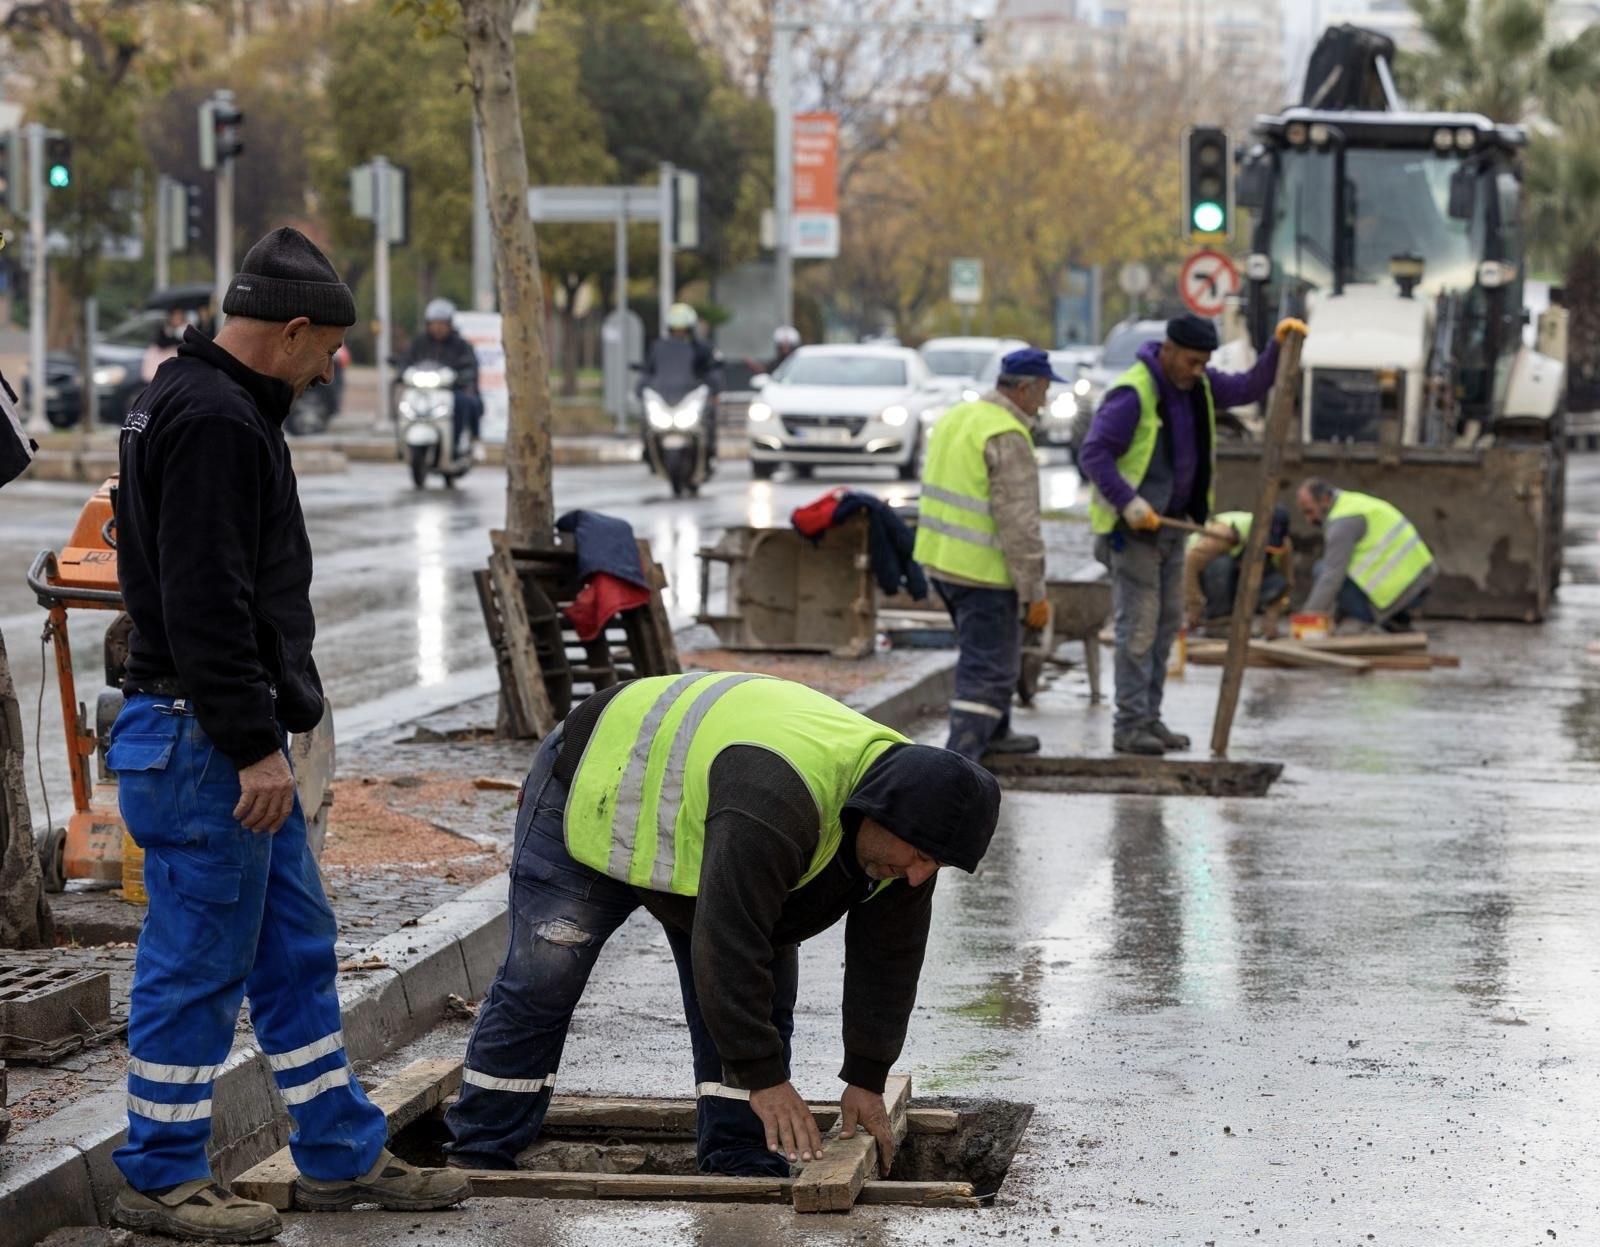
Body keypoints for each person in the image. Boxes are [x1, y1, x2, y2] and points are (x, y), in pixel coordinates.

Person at [109, 228, 469, 1242]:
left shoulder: (186, 397)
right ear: (293, 329)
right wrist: (253, 745)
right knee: (196, 961)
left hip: (206, 736)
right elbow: (205, 602)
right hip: (207, 747)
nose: (331, 369)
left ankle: (339, 1151)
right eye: (330, 349)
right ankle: (161, 1174)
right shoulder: (216, 418)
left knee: (295, 950)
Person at [445, 673, 1001, 1177]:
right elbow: (728, 946)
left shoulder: (916, 823)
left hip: (709, 819)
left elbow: (889, 958)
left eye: (935, 865)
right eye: (920, 857)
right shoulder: (780, 804)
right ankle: (479, 1151)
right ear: (881, 811)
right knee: (543, 981)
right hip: (601, 777)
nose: (919, 875)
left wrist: (867, 1077)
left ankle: (740, 1160)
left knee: (759, 999)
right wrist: (766, 1077)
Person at [1080, 313, 1305, 756]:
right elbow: (1094, 453)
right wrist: (1129, 502)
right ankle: (1130, 726)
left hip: (1171, 528)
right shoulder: (1133, 394)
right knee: (1139, 629)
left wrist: (1279, 349)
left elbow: (1248, 388)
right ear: (1167, 351)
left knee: (1166, 627)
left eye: (1204, 362)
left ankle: (1149, 718)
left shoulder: (1197, 386)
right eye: (1191, 361)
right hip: (1133, 533)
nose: (1198, 370)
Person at [913, 346, 1054, 760]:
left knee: (985, 654)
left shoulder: (959, 416)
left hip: (942, 564)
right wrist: (1035, 592)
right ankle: (960, 760)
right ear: (1025, 389)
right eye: (1044, 390)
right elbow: (1019, 525)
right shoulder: (1007, 435)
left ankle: (997, 731)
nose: (1044, 401)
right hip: (984, 574)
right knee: (989, 669)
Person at [1295, 478, 1435, 630]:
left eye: (1309, 511)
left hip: (1401, 594)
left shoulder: (1342, 523)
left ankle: (1388, 617)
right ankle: (1397, 619)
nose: (1309, 520)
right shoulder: (1353, 504)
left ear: (1325, 499)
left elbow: (1331, 577)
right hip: (1423, 580)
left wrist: (1305, 621)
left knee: (1321, 570)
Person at [1184, 504, 1294, 638]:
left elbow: (1288, 582)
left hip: (1240, 579)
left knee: (1278, 581)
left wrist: (1271, 619)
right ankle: (1218, 622)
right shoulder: (1225, 532)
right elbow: (1189, 562)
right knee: (1221, 566)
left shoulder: (1283, 544)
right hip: (1206, 577)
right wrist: (1194, 605)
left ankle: (1243, 620)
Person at [399, 297, 481, 456]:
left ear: (449, 324)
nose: (438, 328)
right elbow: (406, 361)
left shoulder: (460, 345)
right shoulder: (419, 343)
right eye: (434, 323)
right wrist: (401, 371)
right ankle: (401, 442)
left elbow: (469, 366)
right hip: (422, 388)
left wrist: (461, 377)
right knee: (404, 402)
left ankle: (456, 444)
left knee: (462, 402)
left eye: (442, 324)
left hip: (451, 388)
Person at [641, 302, 723, 459]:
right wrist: (641, 388)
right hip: (666, 396)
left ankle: (710, 452)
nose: (679, 333)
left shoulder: (701, 348)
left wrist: (716, 389)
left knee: (709, 417)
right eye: (675, 329)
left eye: (683, 329)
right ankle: (647, 452)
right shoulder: (659, 347)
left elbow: (713, 369)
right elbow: (648, 371)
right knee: (645, 419)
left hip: (690, 395)